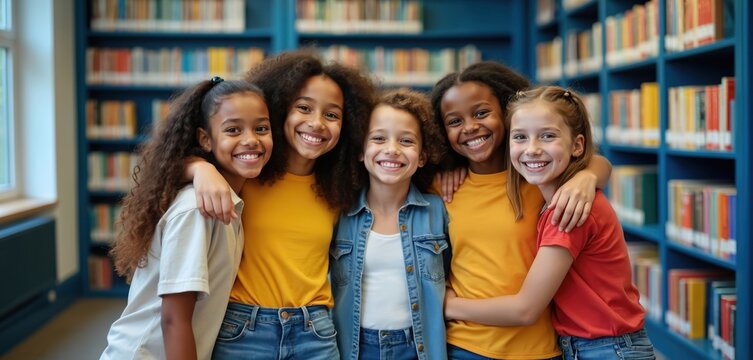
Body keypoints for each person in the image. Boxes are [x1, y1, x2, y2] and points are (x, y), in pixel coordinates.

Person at [184, 50, 376, 360]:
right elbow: (166, 166)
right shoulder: (247, 172)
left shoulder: (343, 188)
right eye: (303, 108)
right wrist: (198, 168)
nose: (317, 123)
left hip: (315, 332)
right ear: (278, 109)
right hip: (243, 330)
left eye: (332, 114)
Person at [444, 86, 655, 360]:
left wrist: (447, 305)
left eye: (547, 136)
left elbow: (525, 309)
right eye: (520, 137)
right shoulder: (557, 197)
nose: (532, 149)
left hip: (606, 350)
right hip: (594, 346)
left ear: (577, 145)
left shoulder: (568, 211)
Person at [430, 62, 613, 360]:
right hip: (463, 345)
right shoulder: (441, 188)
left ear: (507, 113)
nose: (470, 127)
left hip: (539, 348)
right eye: (454, 121)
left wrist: (588, 175)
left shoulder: (540, 178)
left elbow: (594, 162)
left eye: (481, 113)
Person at [101, 77, 274, 360]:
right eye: (233, 129)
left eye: (261, 128)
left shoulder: (230, 200)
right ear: (205, 139)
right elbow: (173, 320)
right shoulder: (197, 209)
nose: (251, 139)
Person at [331, 89, 449, 360]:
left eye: (406, 140)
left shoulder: (439, 210)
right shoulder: (339, 212)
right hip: (354, 347)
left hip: (419, 348)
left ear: (422, 156)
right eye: (379, 138)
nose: (392, 150)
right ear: (361, 151)